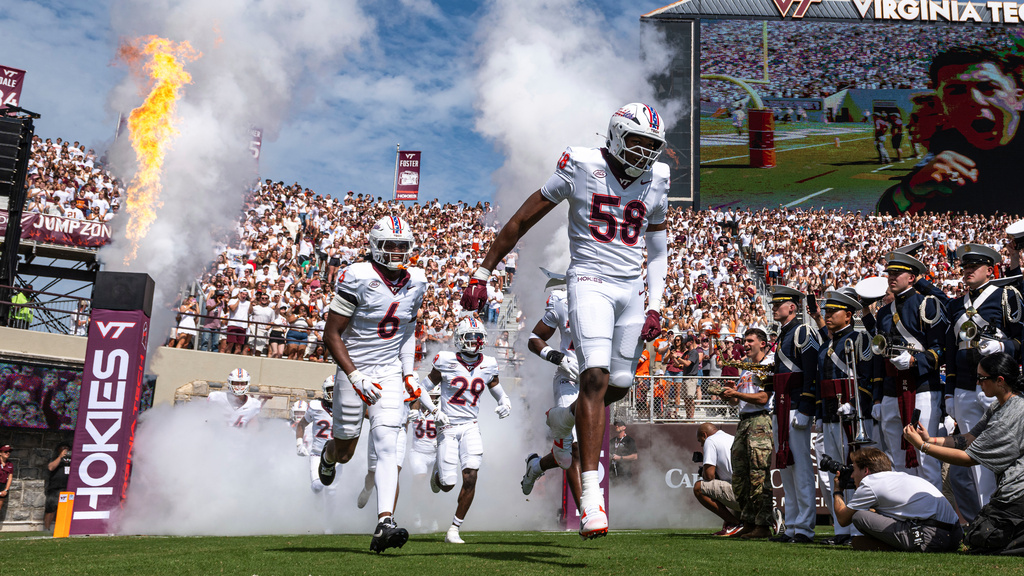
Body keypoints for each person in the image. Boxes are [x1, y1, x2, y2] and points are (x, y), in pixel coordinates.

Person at [460, 103, 670, 539]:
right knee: (593, 376)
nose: (644, 153)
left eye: (652, 146)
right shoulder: (581, 163)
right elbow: (522, 218)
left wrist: (656, 303)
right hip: (590, 278)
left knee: (620, 383)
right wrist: (483, 271)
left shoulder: (659, 178)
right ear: (614, 136)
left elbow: (658, 245)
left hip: (630, 288)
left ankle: (563, 419)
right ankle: (592, 500)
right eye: (637, 142)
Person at [318, 215, 426, 553]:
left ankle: (384, 522)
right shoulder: (357, 276)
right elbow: (330, 333)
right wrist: (354, 375)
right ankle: (329, 454)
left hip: (389, 370)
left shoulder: (418, 281)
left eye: (402, 246)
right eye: (390, 245)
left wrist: (407, 371)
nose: (396, 252)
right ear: (375, 246)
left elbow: (408, 329)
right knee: (347, 451)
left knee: (387, 443)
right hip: (354, 368)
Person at [876, 46, 1024, 215]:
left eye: (988, 87)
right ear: (942, 105)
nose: (974, 100)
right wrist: (911, 190)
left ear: (1018, 98)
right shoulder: (948, 144)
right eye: (956, 91)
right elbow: (886, 212)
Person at [903, 353, 1024, 555]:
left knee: (981, 537)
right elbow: (968, 438)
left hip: (1018, 492)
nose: (977, 382)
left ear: (1000, 381)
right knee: (978, 535)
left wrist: (923, 448)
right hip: (1013, 492)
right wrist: (928, 439)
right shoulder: (1000, 405)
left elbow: (969, 459)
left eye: (982, 378)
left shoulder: (1010, 415)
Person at [422, 317, 510, 544]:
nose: (473, 341)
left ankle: (454, 529)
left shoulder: (489, 363)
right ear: (458, 339)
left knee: (471, 476)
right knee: (447, 484)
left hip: (471, 425)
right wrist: (434, 410)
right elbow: (422, 389)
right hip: (448, 425)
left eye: (477, 337)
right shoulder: (445, 359)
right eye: (469, 337)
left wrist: (505, 402)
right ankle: (437, 473)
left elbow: (497, 389)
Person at [872, 252, 946, 490]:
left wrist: (915, 361)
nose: (891, 277)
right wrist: (877, 396)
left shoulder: (927, 304)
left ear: (912, 277)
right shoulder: (884, 312)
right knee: (897, 458)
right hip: (892, 390)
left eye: (897, 274)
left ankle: (933, 521)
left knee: (925, 458)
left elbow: (941, 349)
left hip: (922, 386)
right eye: (889, 273)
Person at [814, 290, 872, 546]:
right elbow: (820, 382)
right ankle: (842, 530)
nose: (827, 316)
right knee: (833, 474)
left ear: (848, 315)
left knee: (857, 473)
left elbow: (869, 375)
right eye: (825, 312)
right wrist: (819, 414)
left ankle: (860, 529)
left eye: (832, 312)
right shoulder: (828, 343)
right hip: (829, 415)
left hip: (853, 416)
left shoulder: (859, 338)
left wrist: (856, 403)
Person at [520, 286, 583, 515]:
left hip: (595, 381)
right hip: (570, 378)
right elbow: (534, 338)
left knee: (574, 451)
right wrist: (557, 357)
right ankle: (586, 512)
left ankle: (536, 466)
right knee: (574, 449)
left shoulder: (613, 293)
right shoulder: (561, 299)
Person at [831, 447, 961, 552]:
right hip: (955, 535)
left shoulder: (870, 483)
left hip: (931, 537)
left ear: (866, 471)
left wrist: (838, 491)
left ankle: (900, 547)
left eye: (853, 469)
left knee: (859, 518)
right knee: (862, 537)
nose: (852, 476)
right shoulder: (899, 477)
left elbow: (843, 519)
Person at [767, 285, 818, 544]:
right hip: (782, 406)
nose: (774, 308)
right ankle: (792, 525)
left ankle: (805, 528)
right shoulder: (784, 335)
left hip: (796, 406)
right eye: (774, 304)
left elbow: (811, 371)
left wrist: (807, 406)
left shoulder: (802, 331)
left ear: (793, 307)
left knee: (801, 469)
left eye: (779, 304)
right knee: (786, 467)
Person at [721, 328, 774, 540]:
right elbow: (738, 401)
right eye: (745, 341)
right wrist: (730, 394)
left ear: (763, 343)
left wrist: (737, 393)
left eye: (750, 340)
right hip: (744, 422)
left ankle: (762, 525)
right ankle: (748, 522)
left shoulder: (767, 366)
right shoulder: (746, 368)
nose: (746, 344)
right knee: (741, 477)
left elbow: (763, 398)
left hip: (760, 421)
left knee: (758, 475)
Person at [295, 376, 336, 497]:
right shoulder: (315, 406)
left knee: (332, 490)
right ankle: (316, 510)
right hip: (317, 453)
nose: (334, 393)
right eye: (331, 389)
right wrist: (299, 444)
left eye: (337, 389)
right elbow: (301, 424)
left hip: (337, 457)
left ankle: (330, 514)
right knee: (318, 487)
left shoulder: (347, 407)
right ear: (325, 390)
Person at [44, 443, 72, 532]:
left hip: (67, 488)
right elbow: (51, 467)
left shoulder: (72, 459)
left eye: (67, 448)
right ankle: (47, 529)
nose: (65, 450)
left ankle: (63, 528)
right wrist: (60, 457)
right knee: (51, 509)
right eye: (63, 448)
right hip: (55, 488)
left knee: (65, 510)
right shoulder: (54, 458)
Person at [0, 445, 12, 524]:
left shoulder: (10, 464)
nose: (8, 453)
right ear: (0, 453)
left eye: (9, 452)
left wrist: (6, 490)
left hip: (3, 486)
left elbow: (10, 477)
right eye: (5, 452)